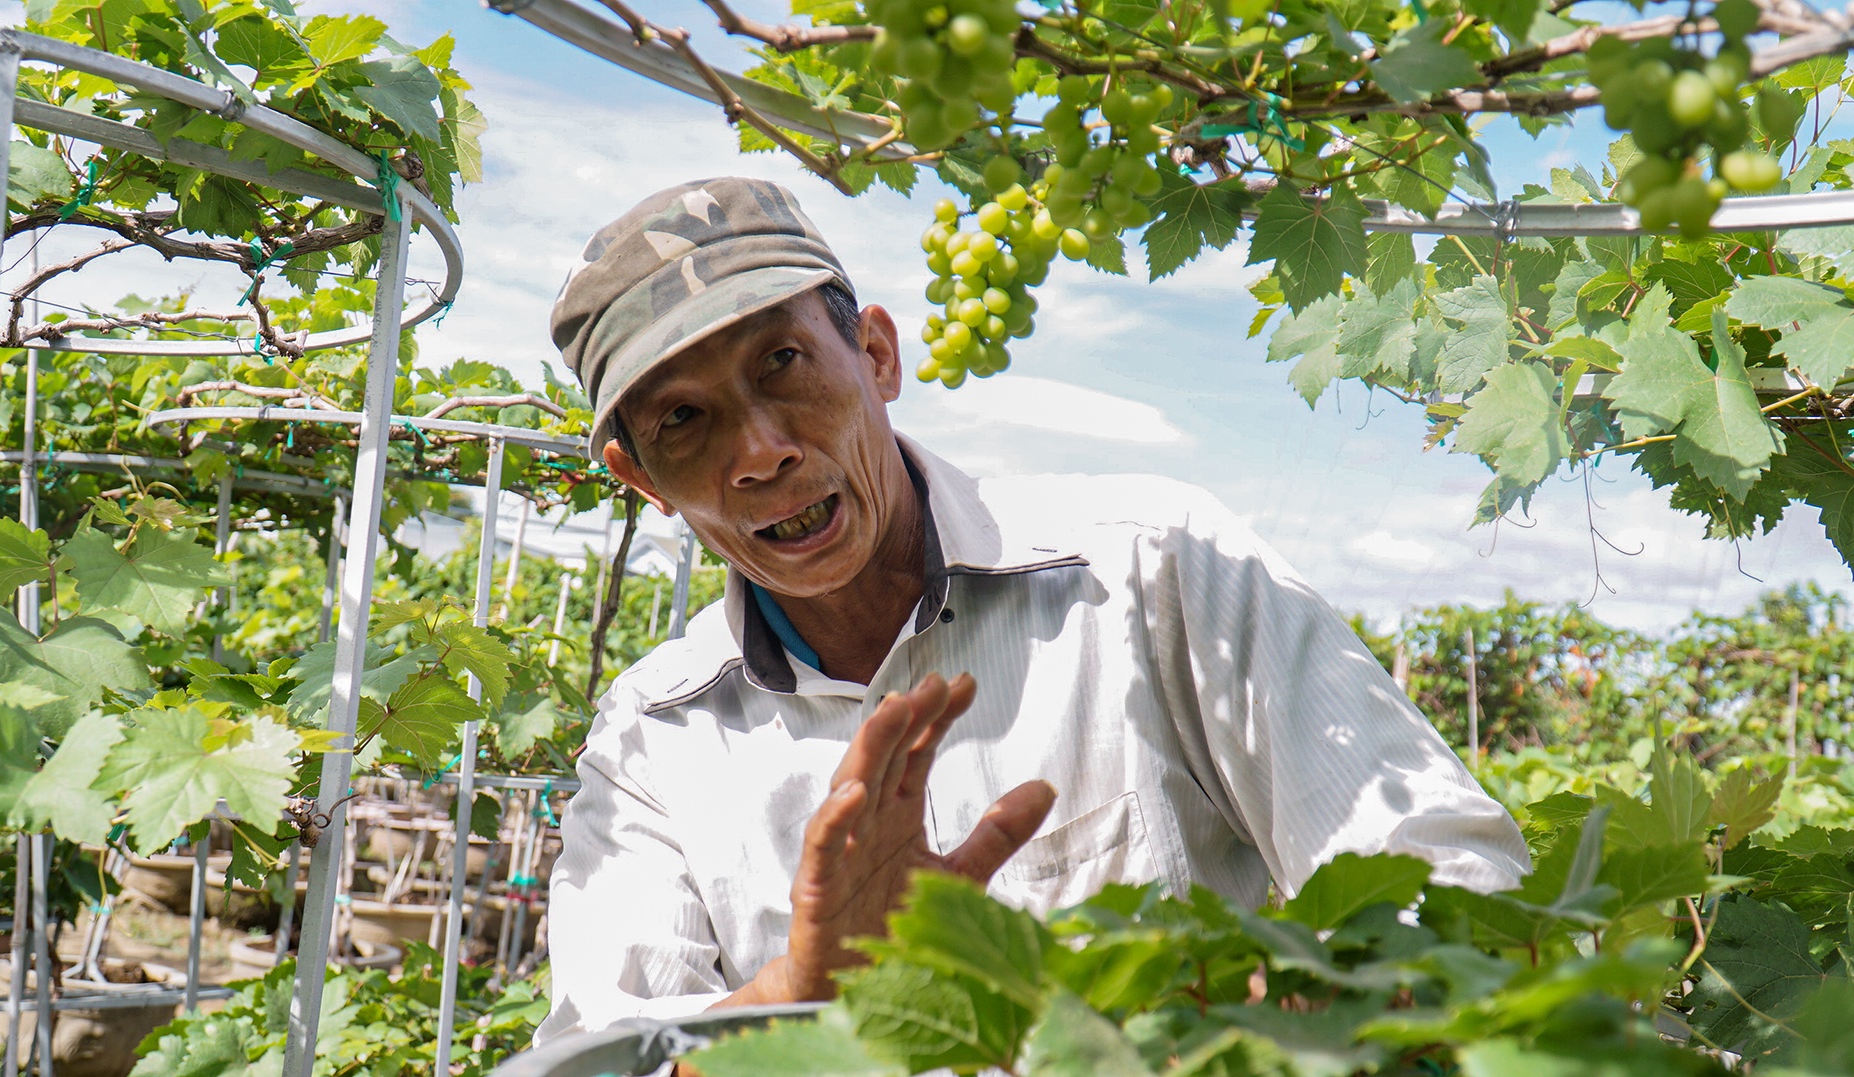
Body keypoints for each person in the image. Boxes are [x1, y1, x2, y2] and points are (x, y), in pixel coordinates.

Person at [534, 175, 1529, 1043]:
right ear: (640, 477)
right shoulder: (655, 741)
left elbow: (1443, 871)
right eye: (683, 419)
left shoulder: (1147, 568)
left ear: (876, 355)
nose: (759, 452)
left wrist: (1267, 1015)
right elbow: (604, 1057)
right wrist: (804, 987)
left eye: (781, 365)